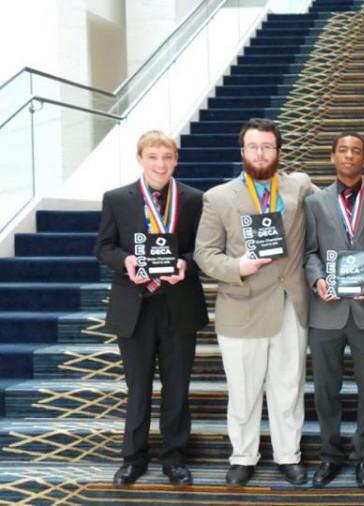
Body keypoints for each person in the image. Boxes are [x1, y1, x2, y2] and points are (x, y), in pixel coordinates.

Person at [194, 118, 316, 487]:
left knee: (288, 388)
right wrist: (237, 266)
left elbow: (335, 210)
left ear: (279, 152)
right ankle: (243, 456)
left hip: (290, 304)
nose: (260, 153)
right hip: (242, 307)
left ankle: (288, 456)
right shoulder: (218, 197)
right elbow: (204, 253)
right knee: (244, 391)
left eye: (267, 147)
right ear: (242, 151)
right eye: (253, 147)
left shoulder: (300, 186)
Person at [94, 130, 208, 487]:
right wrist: (125, 260)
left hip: (178, 304)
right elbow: (103, 247)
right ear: (140, 158)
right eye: (153, 157)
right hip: (135, 307)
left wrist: (185, 264)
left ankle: (174, 458)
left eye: (167, 157)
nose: (161, 164)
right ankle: (134, 458)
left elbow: (204, 249)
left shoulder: (194, 199)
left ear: (176, 160)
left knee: (177, 387)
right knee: (138, 387)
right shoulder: (117, 199)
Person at [303, 132, 364, 488]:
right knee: (326, 389)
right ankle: (330, 455)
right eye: (343, 150)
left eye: (356, 151)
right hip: (327, 310)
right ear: (332, 157)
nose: (349, 156)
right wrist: (318, 280)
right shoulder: (315, 202)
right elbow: (308, 253)